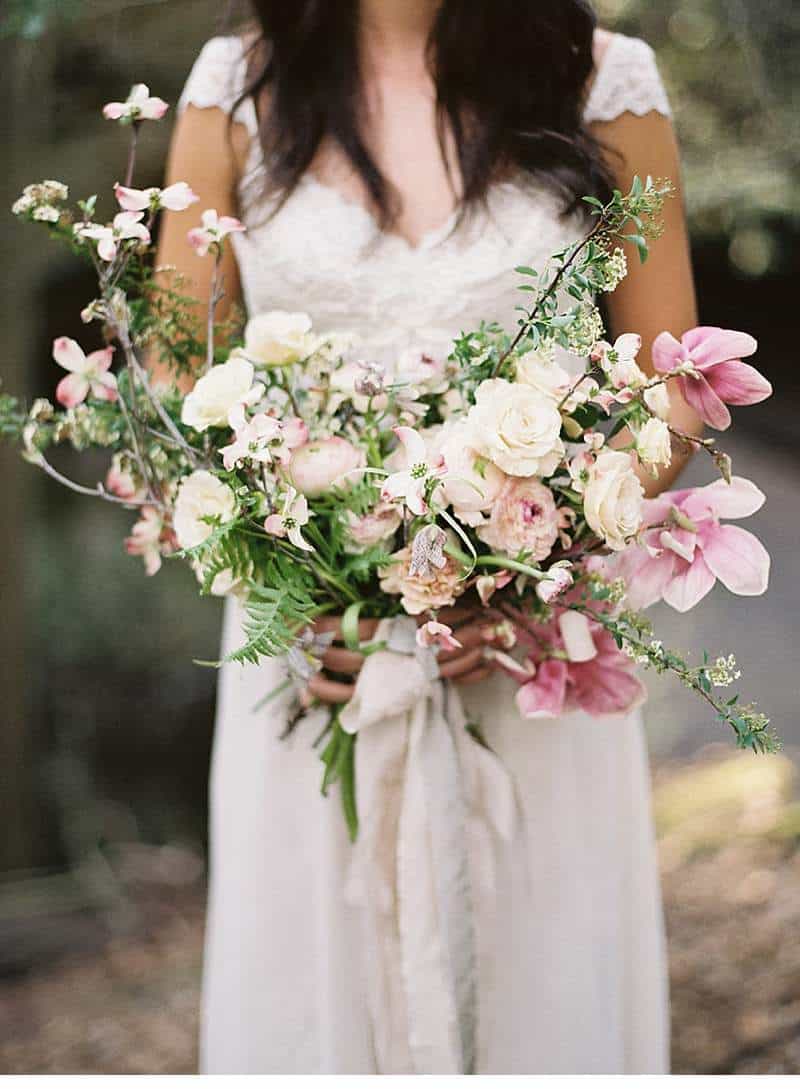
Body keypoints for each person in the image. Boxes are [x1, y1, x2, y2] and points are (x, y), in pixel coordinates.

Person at [156, 0, 701, 1073]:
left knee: (537, 986)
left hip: (533, 652)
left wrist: (517, 560)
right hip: (312, 660)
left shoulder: (605, 80)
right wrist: (307, 577)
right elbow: (177, 372)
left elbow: (668, 383)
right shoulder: (234, 85)